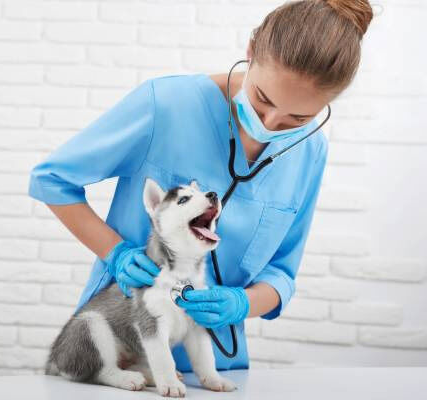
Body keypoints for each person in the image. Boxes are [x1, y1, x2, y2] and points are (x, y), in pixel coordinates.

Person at [28, 0, 373, 372]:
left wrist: (241, 303)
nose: (270, 124)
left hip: (214, 370)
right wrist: (117, 254)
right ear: (250, 51)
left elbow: (281, 274)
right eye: (262, 100)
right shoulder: (167, 104)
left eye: (298, 119)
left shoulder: (310, 151)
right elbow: (52, 180)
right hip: (117, 356)